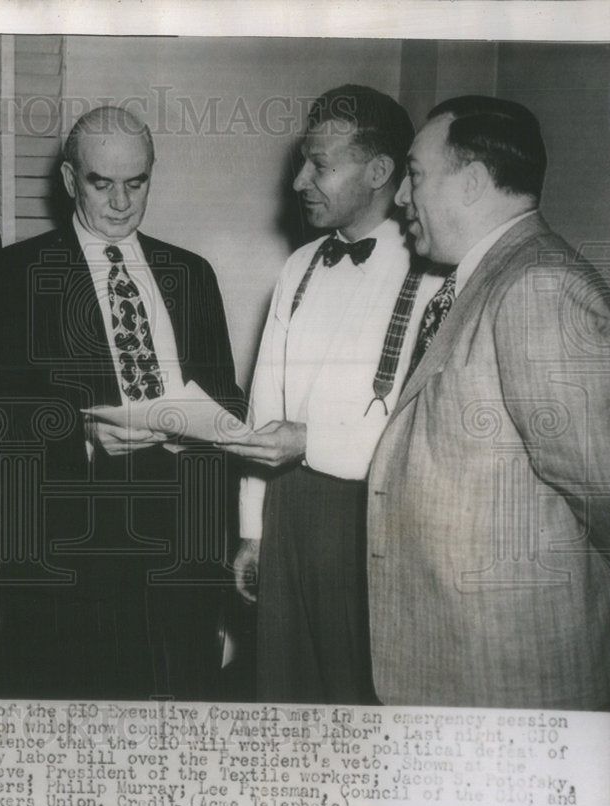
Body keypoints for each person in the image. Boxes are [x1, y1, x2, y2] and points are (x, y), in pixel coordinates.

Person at [0, 106, 244, 700]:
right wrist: (82, 435)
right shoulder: (17, 272)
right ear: (71, 180)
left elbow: (225, 399)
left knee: (184, 722)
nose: (121, 202)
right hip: (74, 554)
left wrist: (224, 545)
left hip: (184, 549)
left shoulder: (191, 274)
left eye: (137, 182)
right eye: (102, 183)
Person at [368, 95, 610, 709]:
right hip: (456, 664)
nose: (400, 198)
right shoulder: (485, 279)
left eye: (415, 176)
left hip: (510, 675)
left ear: (473, 182)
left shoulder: (539, 287)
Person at [223, 85, 447, 704]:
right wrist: (253, 529)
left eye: (320, 165)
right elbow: (263, 406)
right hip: (288, 509)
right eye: (303, 161)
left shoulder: (432, 272)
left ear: (379, 171)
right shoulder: (298, 267)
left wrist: (311, 441)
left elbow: (425, 428)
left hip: (375, 516)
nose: (299, 180)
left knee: (364, 690)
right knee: (287, 686)